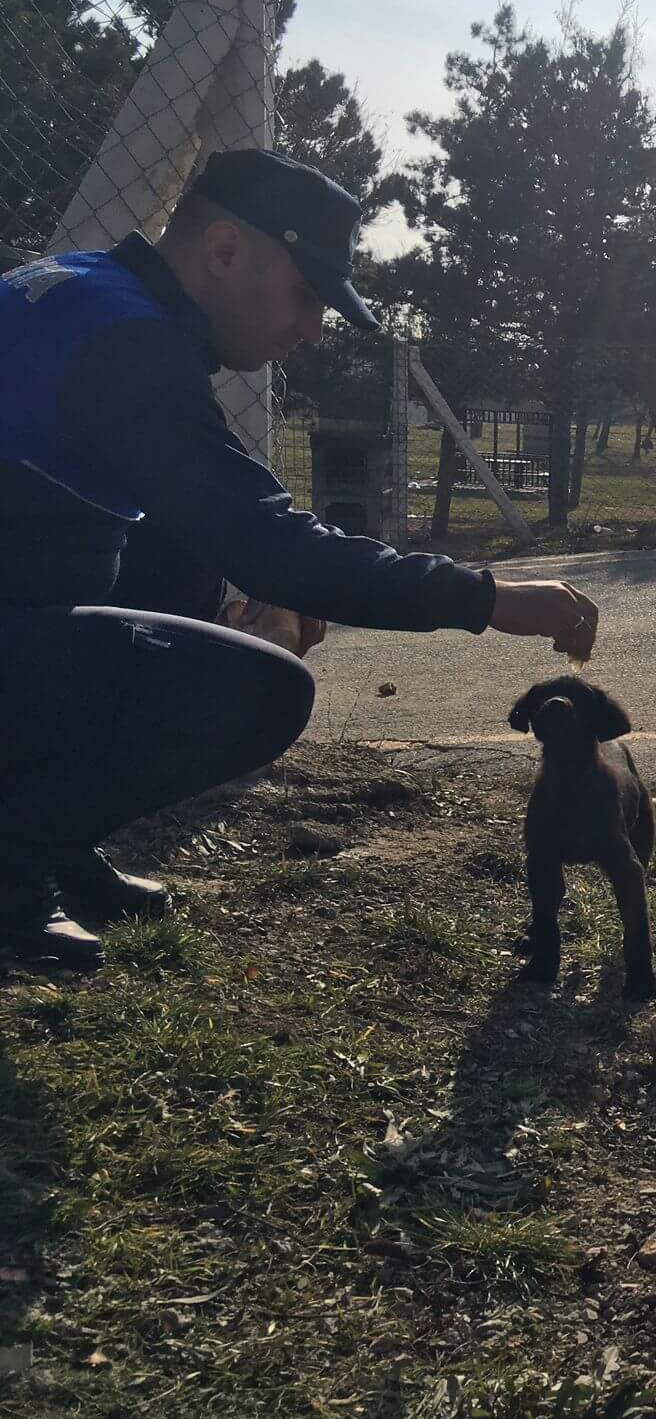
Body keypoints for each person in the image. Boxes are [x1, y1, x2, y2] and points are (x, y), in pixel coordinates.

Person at [0, 148, 598, 968]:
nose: (312, 329)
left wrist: (248, 578)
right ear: (223, 251)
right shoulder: (129, 347)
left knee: (180, 566)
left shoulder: (82, 293)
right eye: (307, 296)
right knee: (260, 690)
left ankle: (52, 838)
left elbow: (210, 524)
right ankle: (13, 859)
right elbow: (271, 543)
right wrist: (486, 599)